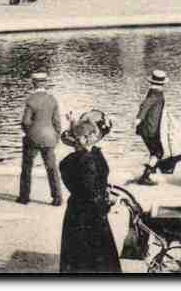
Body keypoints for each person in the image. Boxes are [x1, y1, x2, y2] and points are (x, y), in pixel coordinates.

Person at [59, 113, 120, 273]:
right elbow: (90, 191)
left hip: (75, 211)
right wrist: (106, 200)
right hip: (91, 214)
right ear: (86, 138)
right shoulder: (89, 160)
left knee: (76, 256)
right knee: (96, 257)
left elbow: (82, 187)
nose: (96, 136)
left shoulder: (69, 161)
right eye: (92, 134)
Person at [17, 72, 63, 206]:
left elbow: (25, 122)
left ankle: (24, 197)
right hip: (49, 138)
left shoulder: (31, 100)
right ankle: (57, 198)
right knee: (52, 168)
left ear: (33, 83)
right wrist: (55, 138)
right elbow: (57, 123)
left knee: (27, 167)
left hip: (33, 138)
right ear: (45, 83)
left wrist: (29, 133)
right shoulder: (52, 100)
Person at [134, 70, 168, 185]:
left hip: (147, 127)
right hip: (151, 128)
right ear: (162, 83)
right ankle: (145, 176)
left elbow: (145, 105)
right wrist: (138, 118)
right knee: (158, 152)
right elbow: (145, 105)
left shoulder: (152, 91)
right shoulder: (156, 94)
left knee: (155, 151)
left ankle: (150, 170)